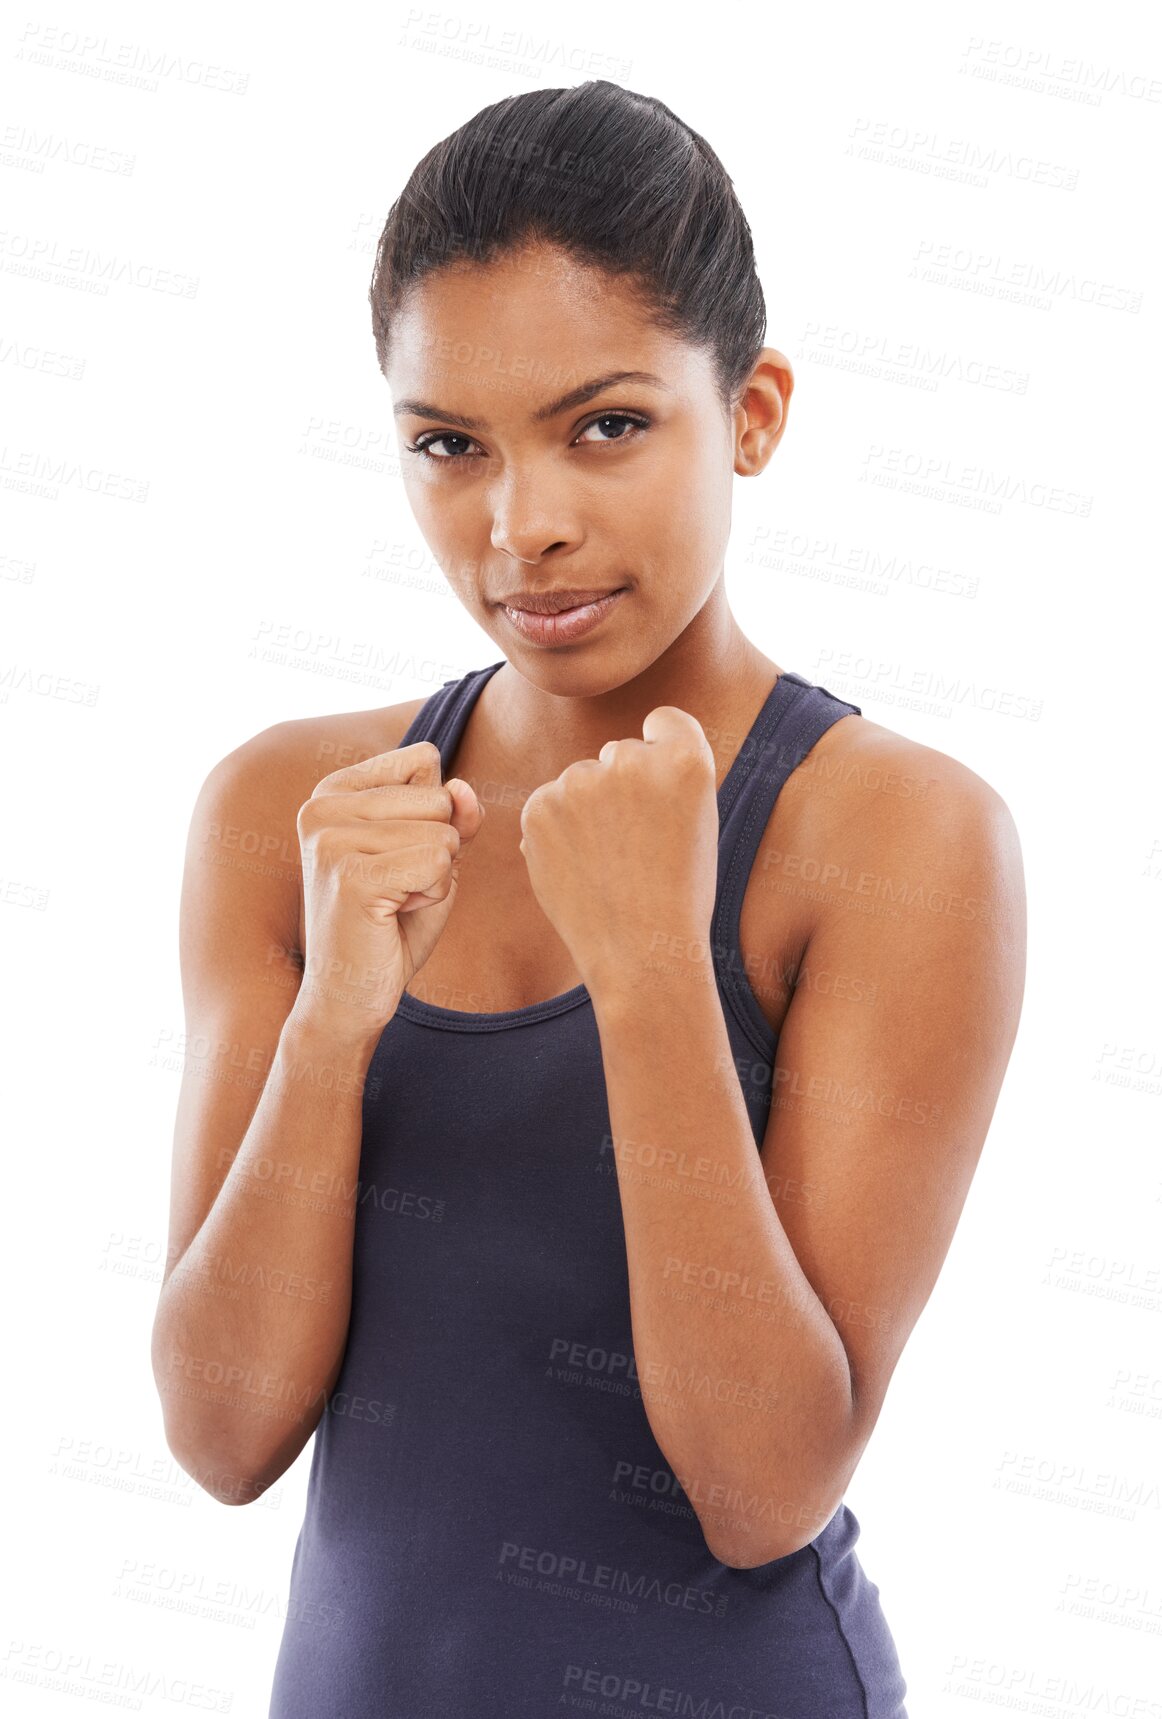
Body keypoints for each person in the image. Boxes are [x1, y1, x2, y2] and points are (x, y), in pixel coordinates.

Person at [150, 80, 1026, 1719]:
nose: (521, 526)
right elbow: (221, 1436)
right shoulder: (294, 814)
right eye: (448, 446)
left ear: (751, 413)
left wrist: (650, 977)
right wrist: (338, 1019)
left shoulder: (902, 839)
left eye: (605, 424)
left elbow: (762, 1488)